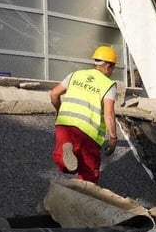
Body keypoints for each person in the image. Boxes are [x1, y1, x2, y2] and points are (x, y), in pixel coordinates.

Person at [50, 45, 120, 184]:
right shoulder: (108, 84)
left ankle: (66, 156)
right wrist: (113, 137)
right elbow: (109, 113)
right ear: (108, 66)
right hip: (88, 132)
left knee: (63, 162)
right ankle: (85, 197)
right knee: (89, 172)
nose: (112, 72)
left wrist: (60, 111)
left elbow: (54, 94)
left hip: (64, 124)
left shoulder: (75, 75)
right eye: (113, 68)